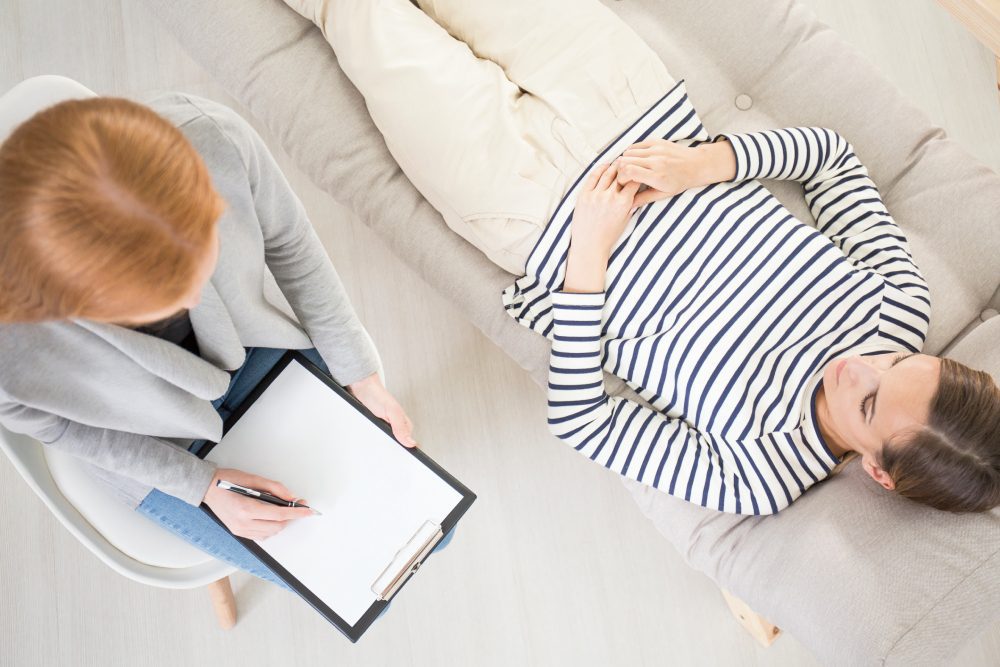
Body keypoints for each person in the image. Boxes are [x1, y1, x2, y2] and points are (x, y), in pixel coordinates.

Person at [287, 0, 1000, 515]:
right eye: (902, 363)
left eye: (870, 399)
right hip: (626, 99)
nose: (862, 363)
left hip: (521, 202)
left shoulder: (757, 474)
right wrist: (709, 163)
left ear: (877, 471)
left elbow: (583, 421)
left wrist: (587, 261)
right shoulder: (900, 307)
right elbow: (833, 163)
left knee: (356, 14)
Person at [0, 89, 452, 591]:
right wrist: (203, 486)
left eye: (206, 251)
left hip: (260, 352)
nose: (198, 290)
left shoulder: (210, 136)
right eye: (168, 297)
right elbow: (61, 429)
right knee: (352, 579)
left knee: (421, 526)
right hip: (152, 444)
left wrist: (359, 373)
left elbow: (288, 242)